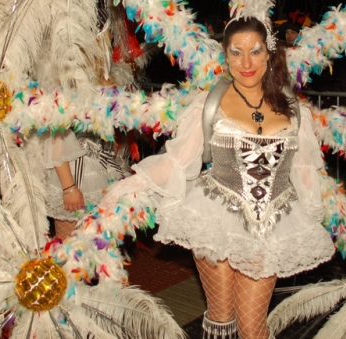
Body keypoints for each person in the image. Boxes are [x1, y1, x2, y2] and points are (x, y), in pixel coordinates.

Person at [103, 17, 334, 339]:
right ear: (226, 56)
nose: (246, 62)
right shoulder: (208, 103)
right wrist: (132, 185)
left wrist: (311, 216)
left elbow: (305, 169)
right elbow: (177, 160)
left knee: (253, 329)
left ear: (269, 54)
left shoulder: (295, 110)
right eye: (236, 53)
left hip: (269, 224)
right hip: (213, 217)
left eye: (254, 52)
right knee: (220, 319)